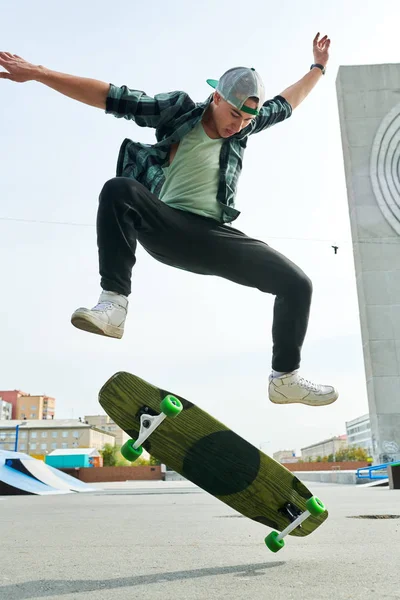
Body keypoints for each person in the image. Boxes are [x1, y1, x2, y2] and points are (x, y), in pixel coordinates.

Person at [0, 33, 338, 407]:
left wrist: (318, 67)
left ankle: (284, 378)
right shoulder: (177, 111)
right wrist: (39, 73)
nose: (237, 125)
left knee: (297, 283)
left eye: (246, 120)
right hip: (168, 228)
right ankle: (113, 304)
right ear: (216, 98)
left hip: (214, 236)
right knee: (120, 189)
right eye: (233, 114)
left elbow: (288, 102)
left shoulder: (246, 127)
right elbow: (111, 96)